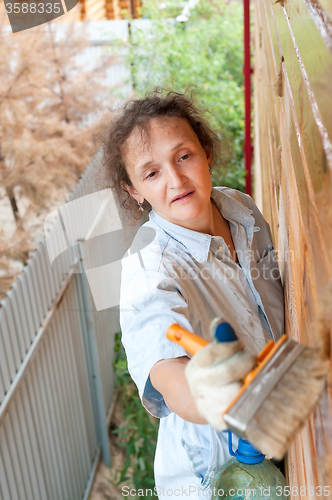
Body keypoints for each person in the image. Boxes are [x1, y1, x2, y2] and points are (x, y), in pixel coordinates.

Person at [99, 89, 284, 499]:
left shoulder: (242, 210)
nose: (176, 180)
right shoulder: (147, 267)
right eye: (151, 173)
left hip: (280, 429)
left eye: (184, 156)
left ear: (206, 152)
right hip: (216, 476)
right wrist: (210, 393)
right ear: (134, 191)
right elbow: (166, 371)